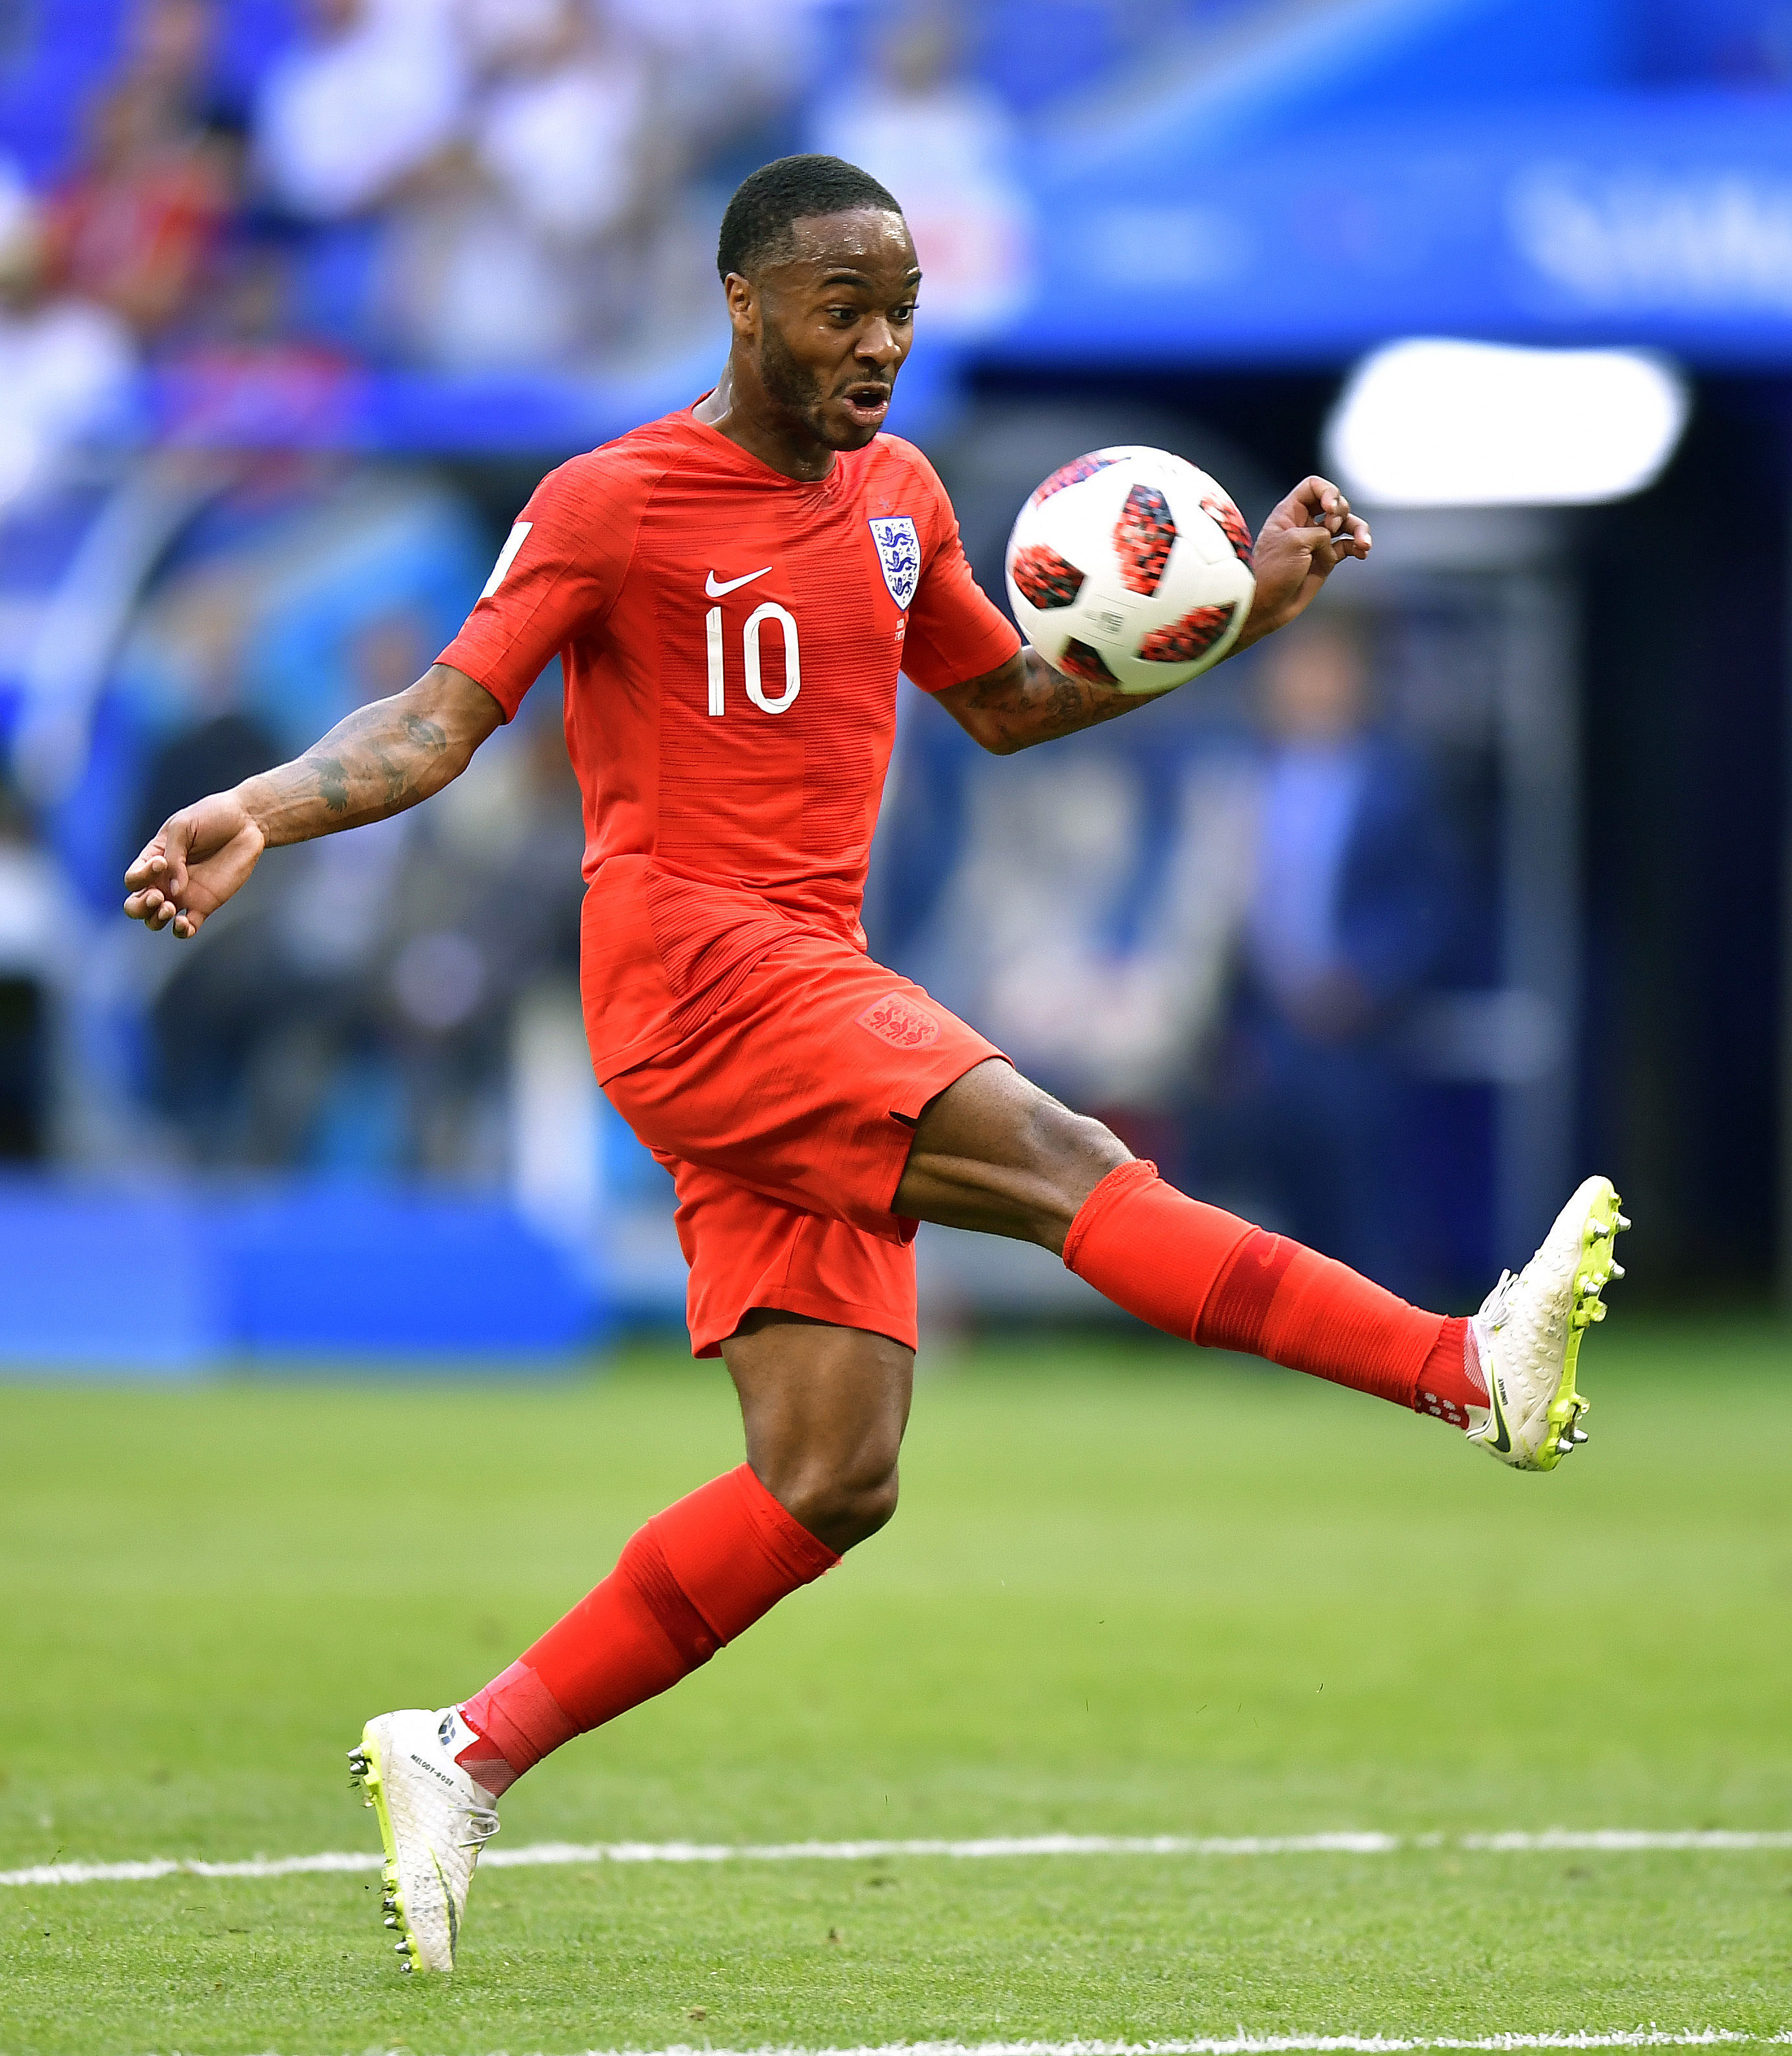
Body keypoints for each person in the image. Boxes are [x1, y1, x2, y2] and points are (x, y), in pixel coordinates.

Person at [123, 155, 1627, 1978]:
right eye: (843, 307)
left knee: (831, 1474)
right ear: (743, 301)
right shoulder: (612, 498)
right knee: (1071, 1163)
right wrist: (264, 810)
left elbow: (1011, 706)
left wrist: (1249, 611)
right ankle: (1461, 1370)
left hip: (802, 975)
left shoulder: (902, 497)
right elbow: (440, 720)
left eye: (901, 311)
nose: (879, 345)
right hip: (696, 969)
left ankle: (463, 1750)